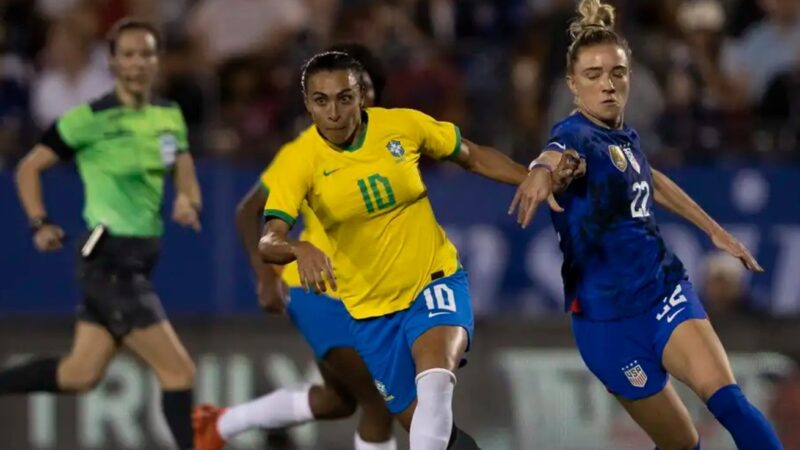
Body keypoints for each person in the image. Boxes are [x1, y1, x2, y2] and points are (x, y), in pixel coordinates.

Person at [256, 50, 581, 450]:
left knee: (436, 382)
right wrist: (297, 247)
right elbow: (268, 240)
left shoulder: (402, 126)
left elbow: (473, 157)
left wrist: (534, 177)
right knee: (437, 438)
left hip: (433, 280)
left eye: (344, 98)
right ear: (308, 104)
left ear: (361, 96)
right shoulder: (300, 162)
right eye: (321, 101)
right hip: (370, 313)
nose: (334, 112)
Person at [508, 1, 784, 449]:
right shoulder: (577, 135)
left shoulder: (625, 135)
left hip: (665, 293)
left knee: (731, 402)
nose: (608, 85)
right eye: (593, 75)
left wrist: (712, 228)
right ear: (573, 85)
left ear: (629, 76)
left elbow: (649, 178)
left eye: (617, 72)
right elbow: (557, 154)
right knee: (682, 444)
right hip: (608, 325)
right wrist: (541, 170)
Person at [3, 18, 200, 450]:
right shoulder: (88, 120)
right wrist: (40, 221)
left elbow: (181, 160)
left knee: (80, 375)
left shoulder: (168, 115)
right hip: (110, 263)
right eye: (127, 54)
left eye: (145, 53)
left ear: (156, 60)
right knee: (179, 372)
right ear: (112, 61)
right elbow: (28, 167)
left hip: (137, 262)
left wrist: (188, 198)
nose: (136, 63)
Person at [192, 43, 397, 450]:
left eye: (365, 92)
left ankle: (221, 424)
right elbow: (247, 212)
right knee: (378, 401)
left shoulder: (390, 145)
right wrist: (265, 274)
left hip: (365, 296)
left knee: (339, 400)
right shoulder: (307, 149)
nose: (358, 101)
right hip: (317, 291)